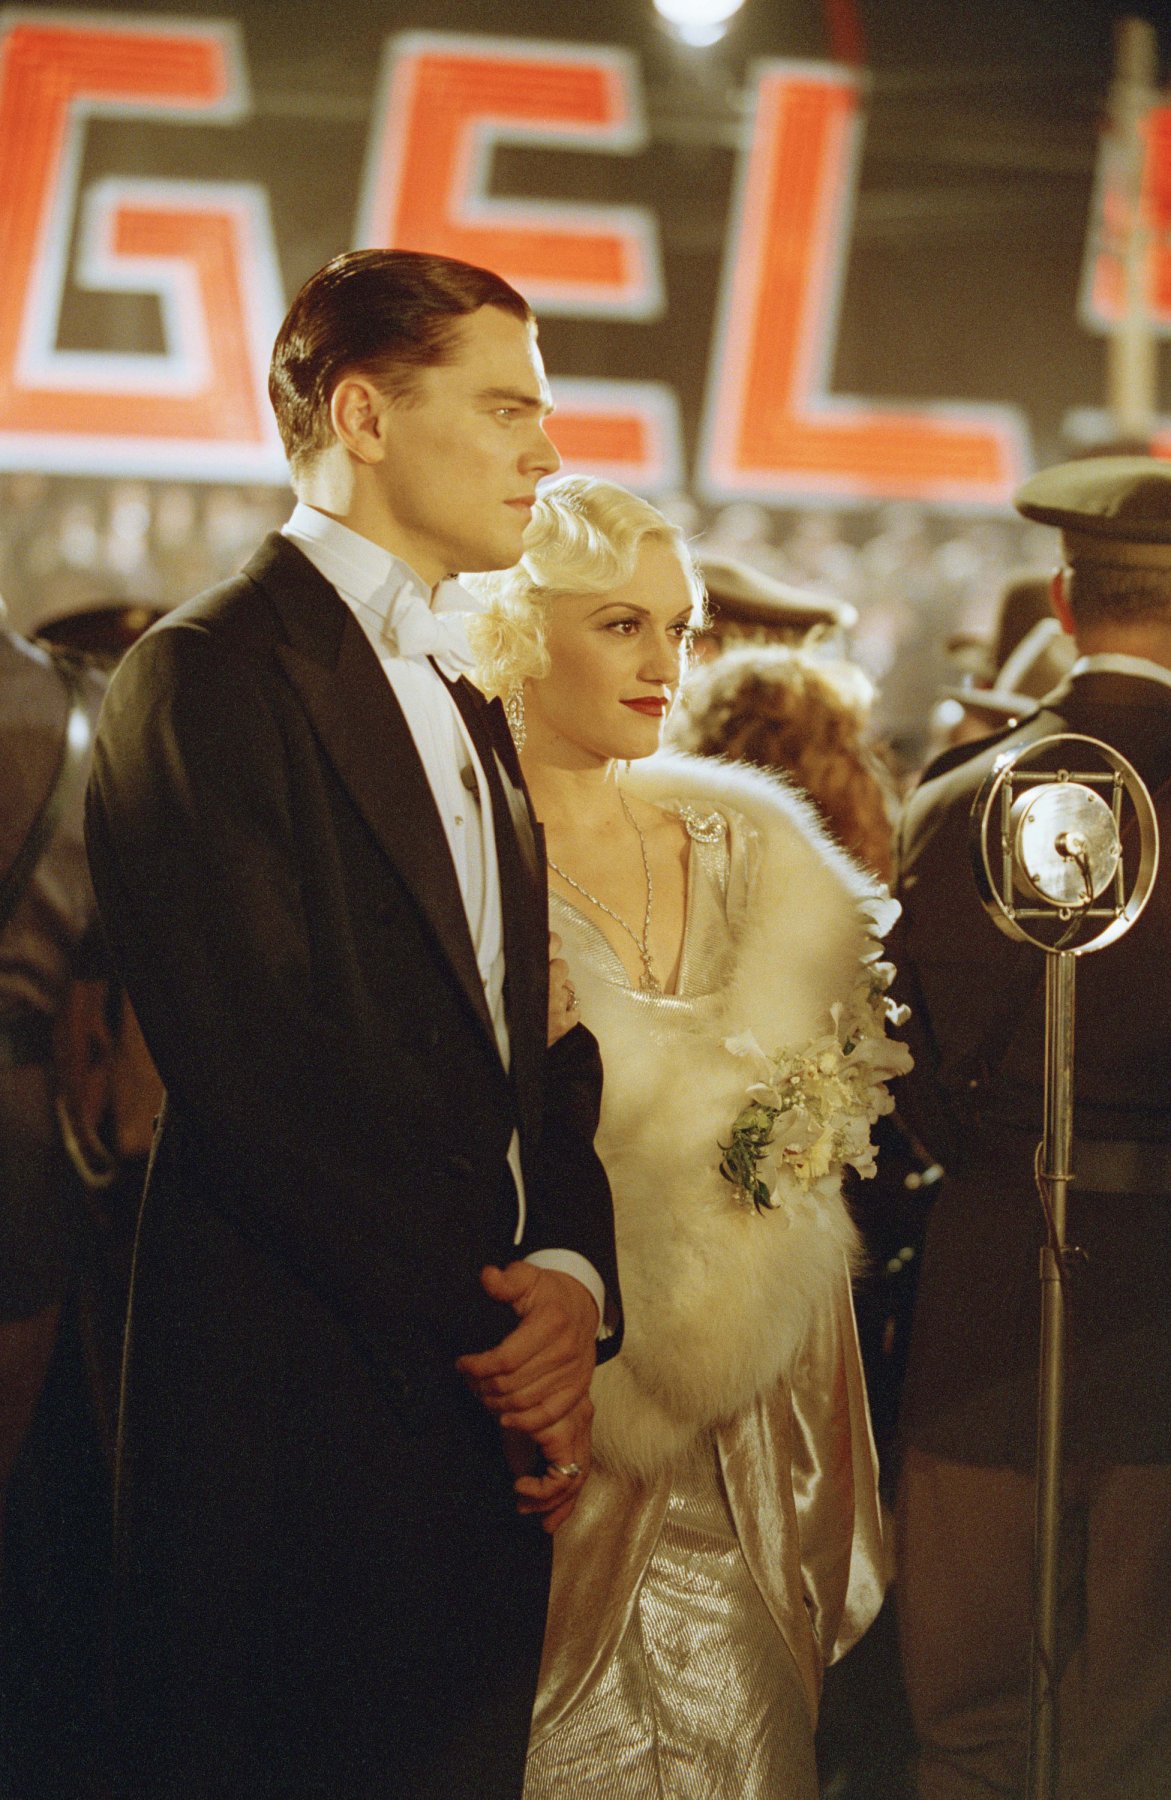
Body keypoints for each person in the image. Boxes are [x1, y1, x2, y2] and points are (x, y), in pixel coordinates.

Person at [84, 249, 622, 1798]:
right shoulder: (200, 676)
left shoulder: (464, 691)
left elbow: (534, 1046)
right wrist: (507, 1336)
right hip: (295, 1414)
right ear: (364, 416)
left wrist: (574, 1275)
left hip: (476, 1424)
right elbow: (258, 1076)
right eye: (507, 407)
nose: (547, 451)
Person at [469, 475, 905, 1798]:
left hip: (760, 1412)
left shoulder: (749, 846)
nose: (666, 663)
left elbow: (835, 1096)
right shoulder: (463, 855)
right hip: (549, 1399)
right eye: (621, 626)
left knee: (749, 1743)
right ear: (519, 632)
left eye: (678, 627)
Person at [891, 455, 1171, 1798]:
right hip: (1163, 1308)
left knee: (969, 1717)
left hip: (987, 1283)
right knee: (1138, 1730)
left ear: (1063, 601)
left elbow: (902, 1066)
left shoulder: (958, 794)